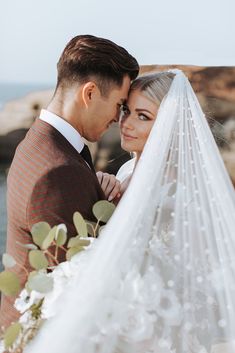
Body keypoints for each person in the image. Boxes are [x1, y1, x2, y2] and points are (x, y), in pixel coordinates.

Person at [25, 70, 235, 353]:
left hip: (152, 331)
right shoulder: (126, 170)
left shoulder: (177, 191)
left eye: (143, 116)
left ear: (170, 125)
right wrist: (101, 190)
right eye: (126, 111)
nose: (125, 123)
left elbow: (196, 280)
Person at [0, 34, 139, 328]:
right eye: (118, 104)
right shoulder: (58, 171)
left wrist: (92, 189)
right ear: (89, 94)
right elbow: (74, 277)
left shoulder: (40, 141)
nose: (119, 118)